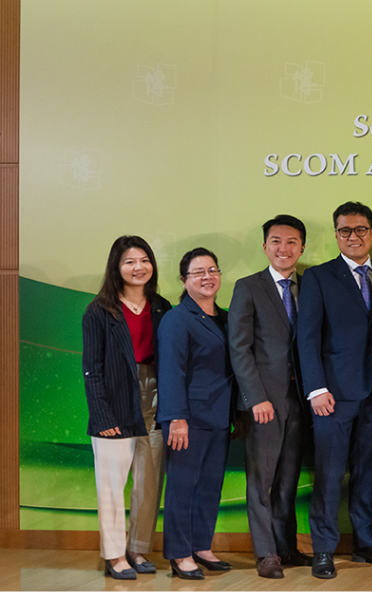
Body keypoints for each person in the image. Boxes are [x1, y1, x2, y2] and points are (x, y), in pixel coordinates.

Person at [297, 201, 372, 579]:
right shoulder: (319, 278)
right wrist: (316, 389)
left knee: (368, 472)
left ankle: (366, 543)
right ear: (336, 234)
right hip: (333, 395)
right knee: (328, 473)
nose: (353, 237)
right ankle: (323, 548)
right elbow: (306, 339)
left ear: (371, 233)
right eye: (345, 231)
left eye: (360, 230)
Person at [82, 235, 171, 580]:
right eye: (130, 262)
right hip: (116, 402)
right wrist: (101, 415)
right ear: (116, 268)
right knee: (112, 484)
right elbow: (92, 369)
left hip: (156, 399)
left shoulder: (162, 307)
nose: (139, 267)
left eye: (144, 260)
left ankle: (137, 549)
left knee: (149, 483)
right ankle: (115, 555)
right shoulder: (100, 311)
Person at [229, 214, 312, 579]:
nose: (284, 248)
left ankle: (286, 546)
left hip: (301, 399)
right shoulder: (248, 287)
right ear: (265, 247)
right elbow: (239, 348)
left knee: (289, 477)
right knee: (261, 479)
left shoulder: (310, 285)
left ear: (302, 247)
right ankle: (265, 553)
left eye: (292, 241)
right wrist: (255, 398)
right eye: (276, 241)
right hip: (264, 401)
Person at [157, 247, 234, 580]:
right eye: (198, 272)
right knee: (182, 487)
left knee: (210, 486)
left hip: (219, 416)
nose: (207, 276)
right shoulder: (176, 319)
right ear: (184, 280)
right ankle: (179, 553)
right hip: (187, 419)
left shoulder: (228, 316)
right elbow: (171, 371)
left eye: (213, 269)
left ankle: (202, 546)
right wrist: (176, 417)